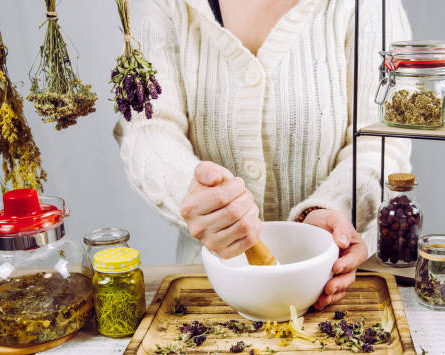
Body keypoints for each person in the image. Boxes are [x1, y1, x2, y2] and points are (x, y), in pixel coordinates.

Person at [114, 0, 412, 310]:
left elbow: (383, 141)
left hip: (336, 285)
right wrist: (190, 193)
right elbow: (148, 130)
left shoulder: (370, 5)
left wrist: (333, 209)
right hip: (209, 292)